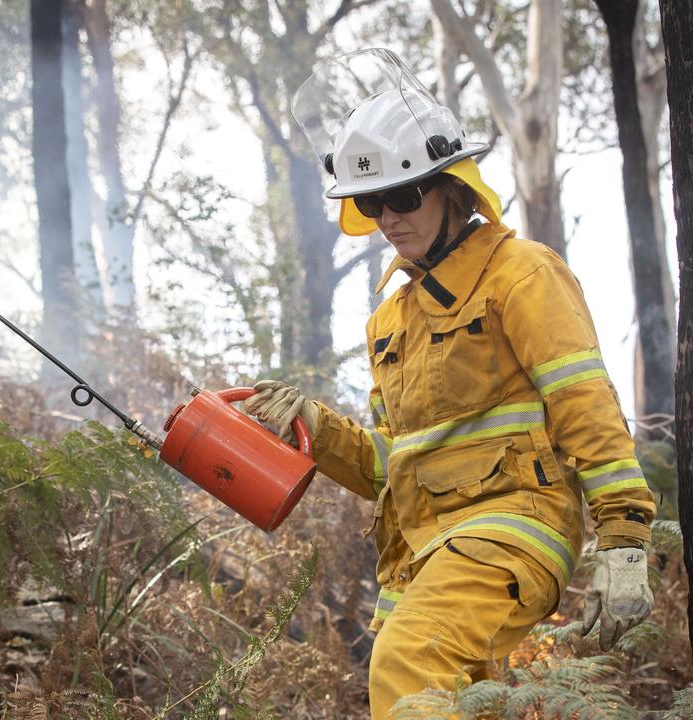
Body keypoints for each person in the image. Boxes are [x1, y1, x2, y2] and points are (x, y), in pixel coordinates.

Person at [243, 49, 657, 718]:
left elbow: (585, 401)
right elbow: (394, 466)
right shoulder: (390, 320)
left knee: (409, 659)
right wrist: (314, 430)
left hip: (516, 525)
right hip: (428, 552)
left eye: (404, 195)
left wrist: (626, 539)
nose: (389, 216)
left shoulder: (520, 273)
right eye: (373, 201)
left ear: (451, 188)